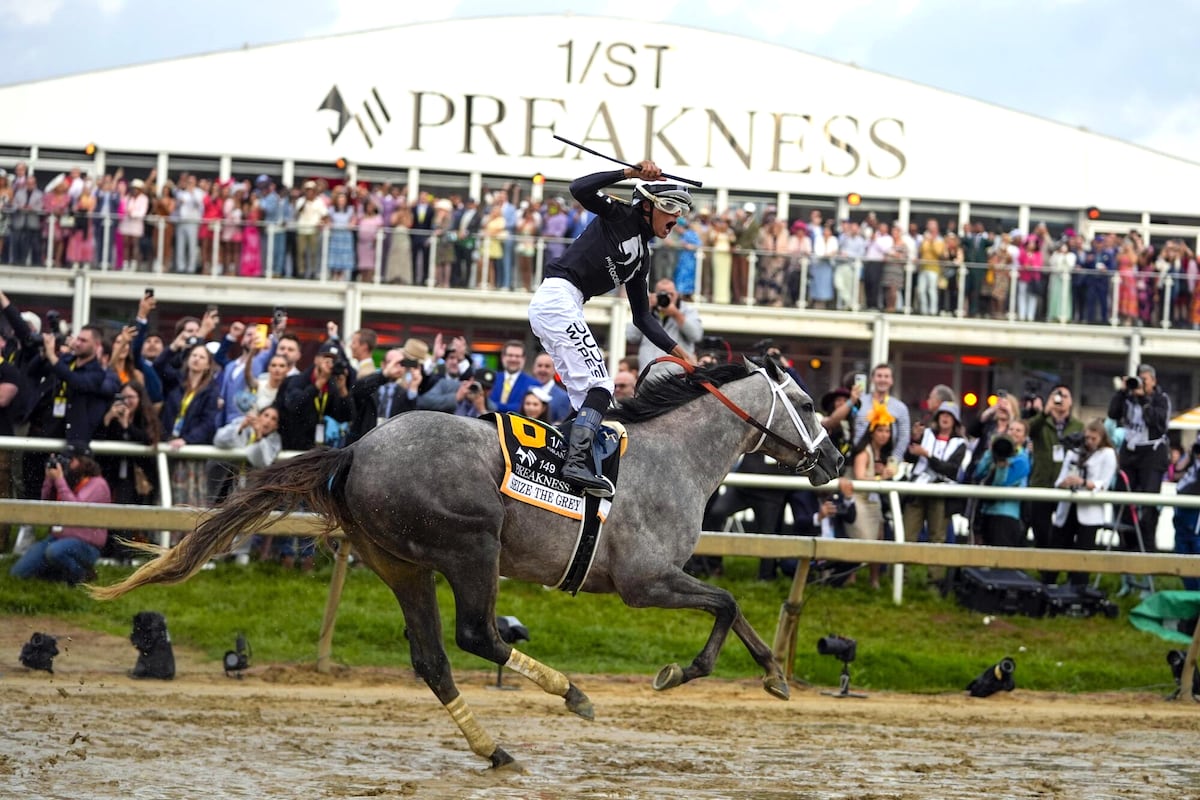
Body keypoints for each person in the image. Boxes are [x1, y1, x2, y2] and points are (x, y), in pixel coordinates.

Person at [529, 160, 698, 497]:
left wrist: (683, 356)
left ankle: (557, 460)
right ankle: (575, 465)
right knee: (601, 385)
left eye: (680, 212)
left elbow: (644, 318)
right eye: (671, 210)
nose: (676, 220)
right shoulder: (620, 214)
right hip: (559, 297)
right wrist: (630, 174)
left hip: (564, 304)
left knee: (586, 397)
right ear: (650, 206)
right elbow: (579, 188)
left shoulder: (643, 260)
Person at [10, 446, 111, 584]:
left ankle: (83, 575)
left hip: (86, 545)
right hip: (57, 538)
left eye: (72, 460)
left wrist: (59, 480)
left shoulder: (98, 484)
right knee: (18, 573)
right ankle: (58, 575)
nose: (67, 464)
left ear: (84, 462)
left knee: (54, 552)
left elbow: (74, 509)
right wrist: (49, 480)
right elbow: (45, 505)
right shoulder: (69, 480)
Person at [1042, 419, 1118, 586]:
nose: (1089, 442)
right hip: (1068, 508)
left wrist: (1083, 482)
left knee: (1083, 554)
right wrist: (1066, 483)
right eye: (1087, 438)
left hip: (1089, 512)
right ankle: (1049, 585)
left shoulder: (1107, 454)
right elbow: (1059, 481)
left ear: (1102, 438)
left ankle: (1078, 590)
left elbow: (1103, 484)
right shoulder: (1073, 452)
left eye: (1094, 439)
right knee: (1058, 547)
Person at [1107, 364, 1171, 558]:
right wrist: (1122, 392)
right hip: (1130, 450)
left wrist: (1144, 399)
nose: (1141, 384)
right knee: (1121, 498)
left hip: (1151, 452)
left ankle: (1148, 548)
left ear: (1154, 381)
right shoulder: (1128, 396)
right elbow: (1112, 414)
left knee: (1148, 502)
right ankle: (1127, 544)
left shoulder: (1161, 399)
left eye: (1146, 380)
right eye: (1139, 379)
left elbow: (1158, 424)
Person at [902, 401, 968, 583]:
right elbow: (909, 457)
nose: (945, 418)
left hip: (941, 493)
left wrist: (928, 456)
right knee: (908, 534)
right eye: (942, 415)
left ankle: (935, 580)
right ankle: (901, 578)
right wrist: (914, 439)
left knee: (937, 536)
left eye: (949, 415)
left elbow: (951, 470)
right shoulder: (926, 435)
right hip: (918, 488)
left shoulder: (960, 444)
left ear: (955, 421)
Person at [845, 404, 897, 589]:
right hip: (859, 500)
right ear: (872, 431)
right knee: (860, 539)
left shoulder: (880, 453)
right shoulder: (864, 450)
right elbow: (859, 477)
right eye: (881, 430)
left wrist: (878, 473)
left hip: (873, 502)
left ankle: (873, 580)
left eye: (887, 431)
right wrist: (879, 477)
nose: (885, 434)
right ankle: (851, 578)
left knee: (878, 538)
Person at [1026, 384, 1083, 552]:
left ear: (1071, 402)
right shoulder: (1041, 422)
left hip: (1064, 484)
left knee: (1063, 531)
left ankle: (1057, 570)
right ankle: (1043, 571)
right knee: (1041, 530)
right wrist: (1044, 411)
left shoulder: (1078, 425)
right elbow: (1028, 429)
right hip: (1041, 483)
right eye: (1056, 396)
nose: (1060, 400)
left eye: (1064, 396)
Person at [971, 419, 1031, 547]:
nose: (1013, 432)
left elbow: (1001, 484)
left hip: (1006, 514)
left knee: (1001, 560)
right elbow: (978, 472)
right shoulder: (995, 451)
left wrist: (1002, 466)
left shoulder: (1022, 460)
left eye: (1018, 430)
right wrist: (991, 452)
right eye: (1011, 429)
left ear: (1025, 437)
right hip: (986, 511)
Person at [625, 277, 703, 368]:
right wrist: (644, 309)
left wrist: (676, 314)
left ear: (677, 294)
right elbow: (631, 337)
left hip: (677, 376)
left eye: (671, 294)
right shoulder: (647, 312)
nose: (667, 297)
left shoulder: (688, 311)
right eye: (662, 294)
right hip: (649, 375)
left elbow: (696, 335)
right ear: (654, 295)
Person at [489, 340, 539, 415]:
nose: (513, 359)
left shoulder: (533, 384)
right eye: (510, 355)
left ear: (523, 359)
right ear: (503, 357)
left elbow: (522, 408)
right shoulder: (492, 379)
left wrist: (494, 406)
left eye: (517, 356)